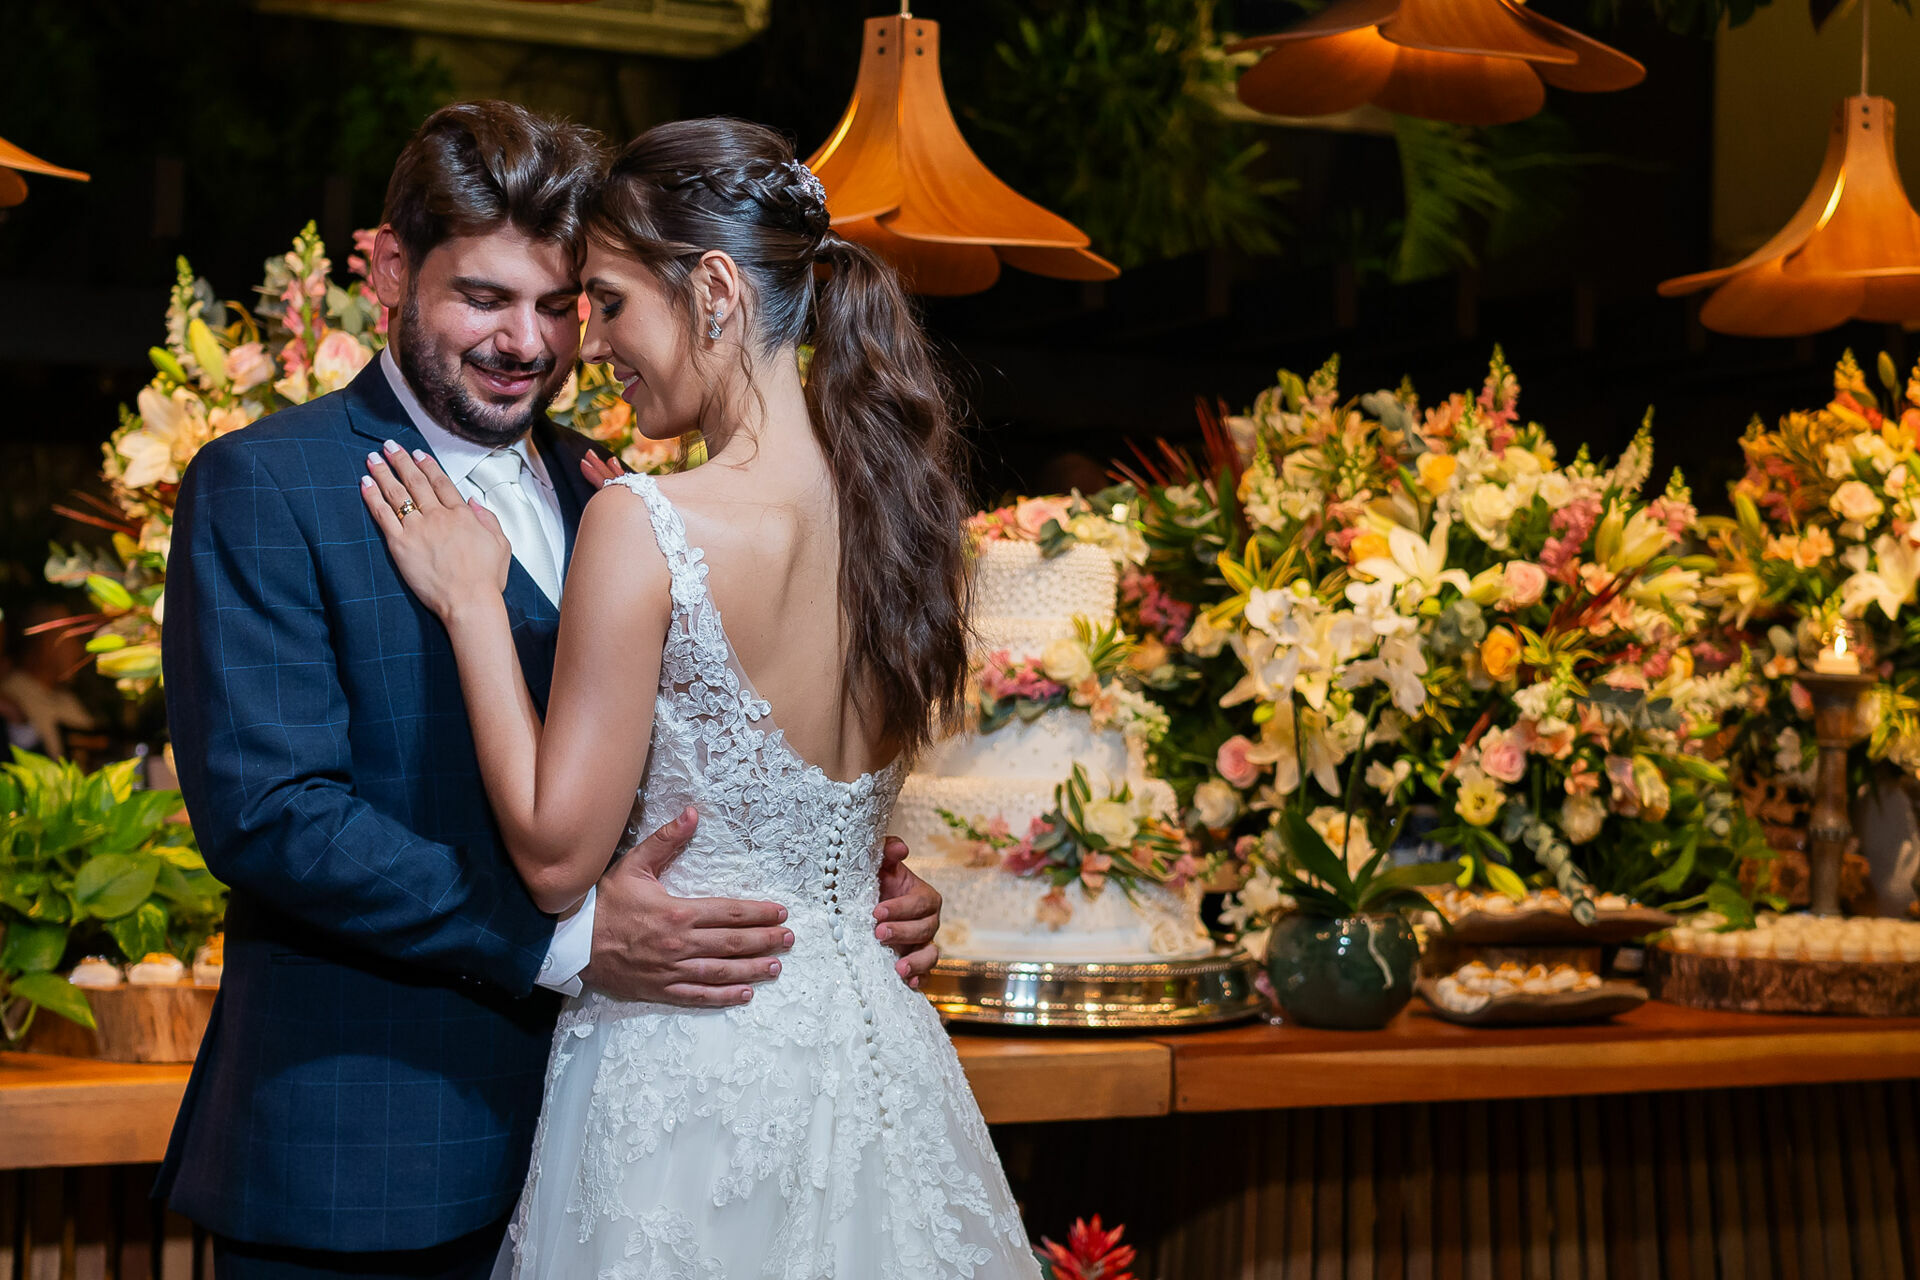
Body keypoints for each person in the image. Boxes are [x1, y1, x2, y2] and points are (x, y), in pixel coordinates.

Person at [157, 101, 945, 1280]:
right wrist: (566, 937)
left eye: (562, 303)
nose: (527, 341)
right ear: (384, 268)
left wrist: (846, 882)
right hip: (371, 1159)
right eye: (484, 296)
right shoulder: (267, 483)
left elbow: (702, 752)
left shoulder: (616, 492)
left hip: (629, 1140)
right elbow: (273, 816)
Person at [358, 117, 1038, 1277]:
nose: (593, 343)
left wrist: (475, 604)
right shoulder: (906, 517)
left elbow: (559, 856)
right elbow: (835, 827)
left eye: (611, 301)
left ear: (715, 289)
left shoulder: (646, 521)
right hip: (875, 1059)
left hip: (690, 1074)